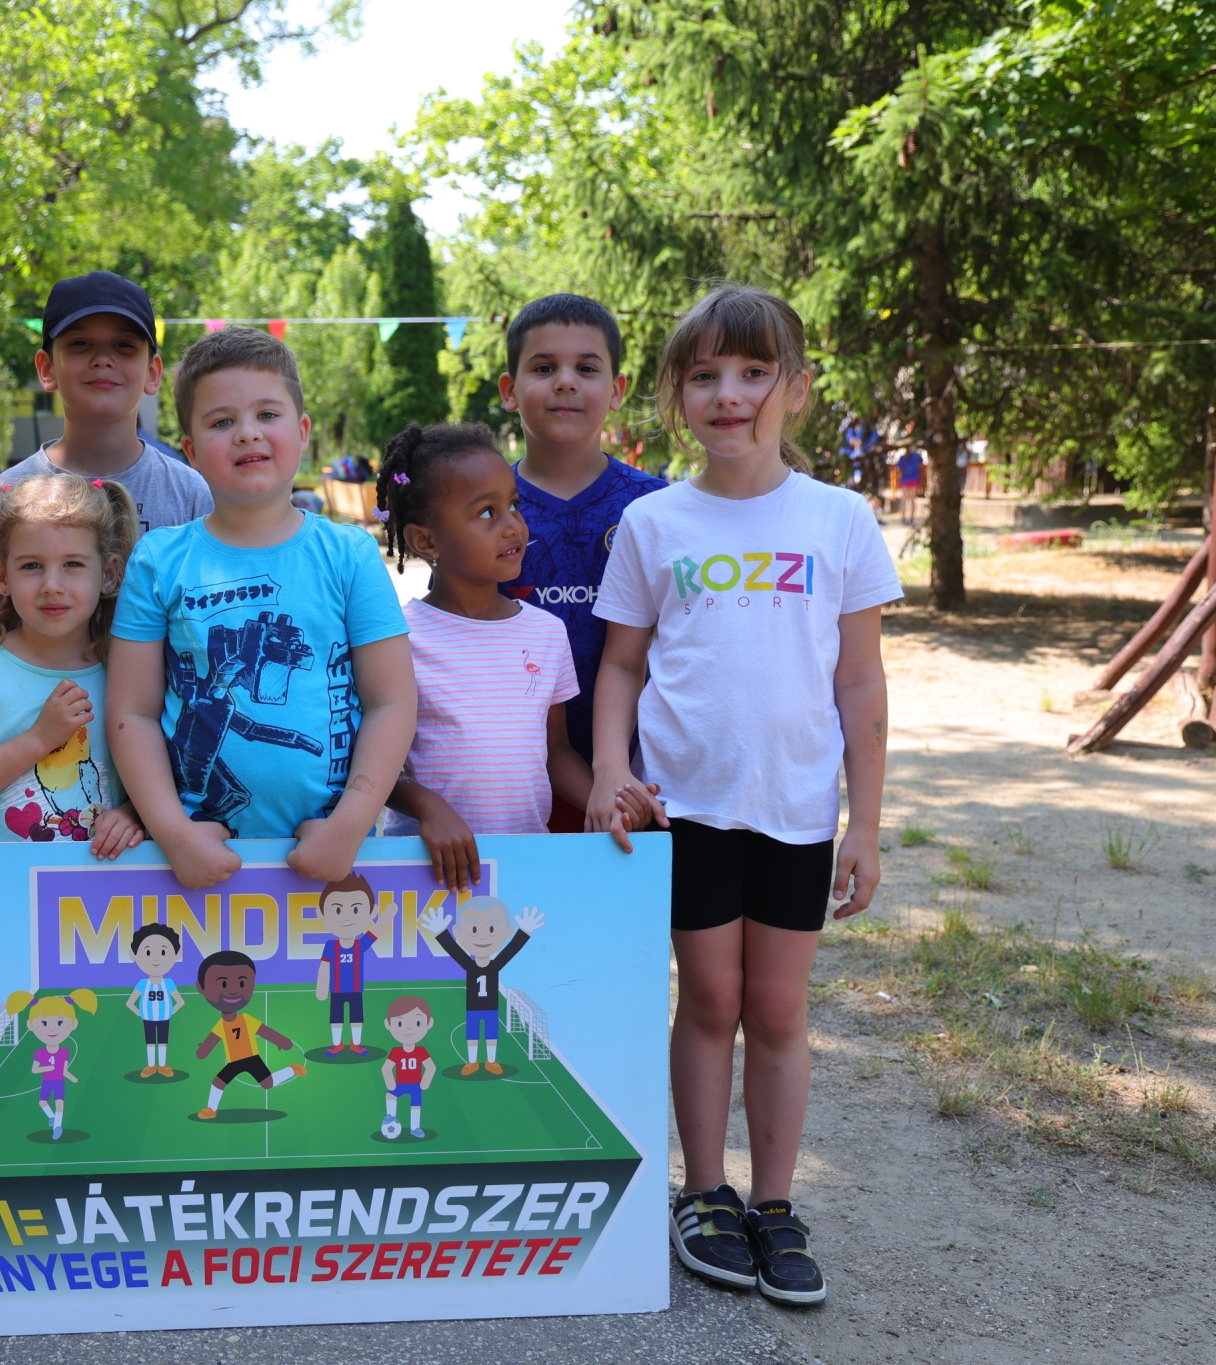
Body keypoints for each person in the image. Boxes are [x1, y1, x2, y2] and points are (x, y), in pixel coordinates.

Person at [585, 283, 899, 1308]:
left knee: (775, 1006)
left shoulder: (839, 519)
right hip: (686, 808)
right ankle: (704, 1194)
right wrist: (610, 768)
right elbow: (620, 665)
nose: (728, 394)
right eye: (704, 375)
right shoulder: (651, 522)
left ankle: (773, 1203)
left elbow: (860, 682)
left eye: (753, 372)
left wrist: (865, 823)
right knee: (711, 1000)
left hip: (796, 811)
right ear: (675, 395)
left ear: (795, 389)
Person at [107, 327, 417, 890]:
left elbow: (391, 701)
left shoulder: (348, 554)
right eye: (222, 421)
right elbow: (132, 711)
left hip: (332, 853)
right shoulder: (158, 560)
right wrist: (173, 833)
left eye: (267, 414)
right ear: (191, 451)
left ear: (302, 431)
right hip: (191, 856)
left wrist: (350, 825)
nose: (247, 433)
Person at [374, 421, 644, 891]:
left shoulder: (546, 632)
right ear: (426, 541)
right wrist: (427, 807)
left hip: (524, 865)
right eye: (486, 513)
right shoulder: (397, 640)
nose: (514, 526)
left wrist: (607, 801)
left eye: (514, 505)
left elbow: (555, 751)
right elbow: (375, 767)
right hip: (424, 870)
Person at [496, 295, 669, 827]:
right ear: (509, 390)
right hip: (508, 783)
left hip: (644, 786)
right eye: (544, 367)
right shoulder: (480, 509)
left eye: (587, 369)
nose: (566, 382)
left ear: (617, 391)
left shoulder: (657, 508)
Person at [0, 474, 144, 855]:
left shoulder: (130, 675)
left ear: (108, 574)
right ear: (1, 576)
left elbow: (167, 776)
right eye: (32, 566)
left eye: (73, 564)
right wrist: (39, 739)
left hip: (101, 888)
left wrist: (135, 814)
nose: (52, 585)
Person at [0, 271, 214, 536]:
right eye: (80, 343)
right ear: (47, 368)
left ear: (152, 373)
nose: (103, 359)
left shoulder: (192, 496)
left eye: (123, 345)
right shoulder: (6, 497)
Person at [418, 897, 543, 1076]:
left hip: (491, 1008)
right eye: (474, 930)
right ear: (460, 934)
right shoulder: (469, 966)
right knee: (472, 1035)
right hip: (473, 1008)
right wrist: (440, 932)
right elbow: (454, 950)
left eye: (491, 929)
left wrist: (524, 932)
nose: (483, 937)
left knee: (491, 1034)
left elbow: (510, 950)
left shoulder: (495, 965)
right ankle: (472, 1062)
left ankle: (491, 1061)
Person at [191, 950, 306, 1119]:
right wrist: (203, 1050)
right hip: (234, 1062)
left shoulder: (246, 1019)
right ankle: (211, 1109)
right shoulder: (221, 1025)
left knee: (267, 1083)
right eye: (223, 984)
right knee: (218, 1082)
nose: (232, 991)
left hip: (252, 1059)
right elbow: (211, 1041)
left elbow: (265, 1031)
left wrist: (282, 1041)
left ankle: (292, 1069)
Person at [310, 872, 395, 1054]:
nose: (347, 917)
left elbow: (375, 932)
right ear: (322, 914)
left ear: (371, 912)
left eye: (356, 910)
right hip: (336, 990)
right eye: (338, 910)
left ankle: (356, 1043)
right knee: (336, 1017)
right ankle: (337, 1043)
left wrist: (387, 916)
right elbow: (324, 967)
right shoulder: (331, 946)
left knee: (357, 1017)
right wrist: (321, 987)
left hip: (356, 989)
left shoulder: (359, 945)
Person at [5, 989, 98, 1141]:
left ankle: (57, 1128)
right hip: (47, 1081)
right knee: (42, 1102)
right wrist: (47, 1068)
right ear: (31, 1025)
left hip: (59, 1082)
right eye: (44, 1023)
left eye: (60, 1022)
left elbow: (64, 1070)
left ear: (73, 1024)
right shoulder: (41, 1053)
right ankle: (52, 1117)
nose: (52, 1028)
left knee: (59, 1104)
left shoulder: (64, 1052)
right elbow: (35, 1069)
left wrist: (72, 1078)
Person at [124, 923, 187, 1077]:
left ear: (177, 954)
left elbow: (180, 1001)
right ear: (134, 955)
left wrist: (170, 1012)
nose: (156, 958)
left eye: (163, 952)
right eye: (148, 952)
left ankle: (163, 1065)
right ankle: (151, 1065)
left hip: (164, 1018)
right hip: (148, 1018)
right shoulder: (143, 984)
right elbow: (130, 1002)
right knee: (151, 1042)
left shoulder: (168, 983)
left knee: (163, 1042)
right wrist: (140, 1013)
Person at [380, 995, 436, 1140]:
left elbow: (431, 1067)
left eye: (417, 1023)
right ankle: (391, 1115)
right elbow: (386, 1068)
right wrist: (390, 1082)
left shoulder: (421, 1051)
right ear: (388, 1024)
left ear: (429, 1023)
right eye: (400, 1023)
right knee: (390, 1095)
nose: (409, 1029)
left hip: (416, 1085)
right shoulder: (396, 1051)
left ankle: (415, 1128)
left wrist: (425, 1081)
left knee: (416, 1106)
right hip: (400, 1083)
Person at [895, 448, 924, 525]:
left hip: (905, 480)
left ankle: (903, 518)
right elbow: (921, 467)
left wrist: (898, 481)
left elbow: (900, 471)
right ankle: (912, 518)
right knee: (912, 499)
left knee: (904, 499)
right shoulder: (917, 457)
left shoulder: (902, 458)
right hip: (914, 479)